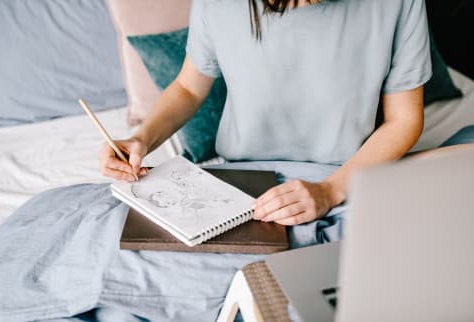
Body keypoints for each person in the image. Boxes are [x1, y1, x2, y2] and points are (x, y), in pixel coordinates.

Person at [99, 0, 470, 230]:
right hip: (241, 180)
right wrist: (141, 138)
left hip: (350, 172)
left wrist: (331, 190)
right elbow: (188, 88)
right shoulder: (217, 4)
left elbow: (404, 119)